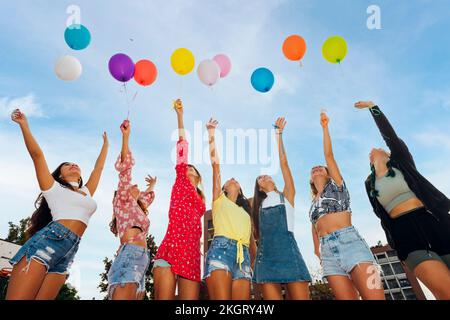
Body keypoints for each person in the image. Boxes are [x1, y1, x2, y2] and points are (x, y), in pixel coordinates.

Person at [7, 108, 108, 300]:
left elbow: (99, 168)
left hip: (69, 252)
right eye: (67, 164)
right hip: (47, 243)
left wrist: (106, 145)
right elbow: (37, 155)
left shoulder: (85, 193)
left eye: (76, 163)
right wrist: (24, 125)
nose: (73, 164)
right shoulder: (53, 188)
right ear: (60, 174)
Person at [355, 101, 450, 299]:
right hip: (405, 234)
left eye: (380, 147)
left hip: (435, 223)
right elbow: (381, 216)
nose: (373, 149)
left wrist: (374, 108)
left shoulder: (402, 164)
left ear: (389, 154)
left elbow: (390, 136)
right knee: (445, 290)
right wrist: (395, 243)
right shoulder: (369, 184)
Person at [309, 110, 384, 300]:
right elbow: (314, 227)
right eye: (313, 170)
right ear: (310, 179)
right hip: (327, 254)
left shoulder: (337, 186)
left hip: (351, 244)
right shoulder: (313, 202)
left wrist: (325, 128)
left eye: (320, 168)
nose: (316, 168)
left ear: (328, 174)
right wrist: (317, 250)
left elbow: (328, 155)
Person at [252, 117, 312, 300]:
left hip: (289, 253)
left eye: (266, 175)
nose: (265, 177)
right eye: (260, 178)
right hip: (266, 257)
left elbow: (284, 163)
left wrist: (279, 135)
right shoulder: (257, 206)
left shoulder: (286, 196)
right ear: (259, 187)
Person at [153, 99, 206, 300]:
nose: (189, 167)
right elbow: (182, 146)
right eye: (187, 166)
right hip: (172, 246)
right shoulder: (181, 180)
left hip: (191, 252)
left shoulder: (202, 201)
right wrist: (180, 116)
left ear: (198, 177)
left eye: (193, 167)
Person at [203, 118, 256, 300]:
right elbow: (216, 166)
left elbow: (251, 240)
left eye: (236, 179)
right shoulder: (219, 200)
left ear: (240, 189)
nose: (232, 178)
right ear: (224, 187)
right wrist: (211, 134)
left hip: (244, 257)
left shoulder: (245, 212)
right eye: (228, 179)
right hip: (221, 250)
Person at [107, 120, 157, 300]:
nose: (136, 185)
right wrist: (125, 137)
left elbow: (147, 197)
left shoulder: (137, 207)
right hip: (131, 255)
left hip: (142, 258)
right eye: (132, 185)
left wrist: (151, 186)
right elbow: (125, 171)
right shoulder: (123, 201)